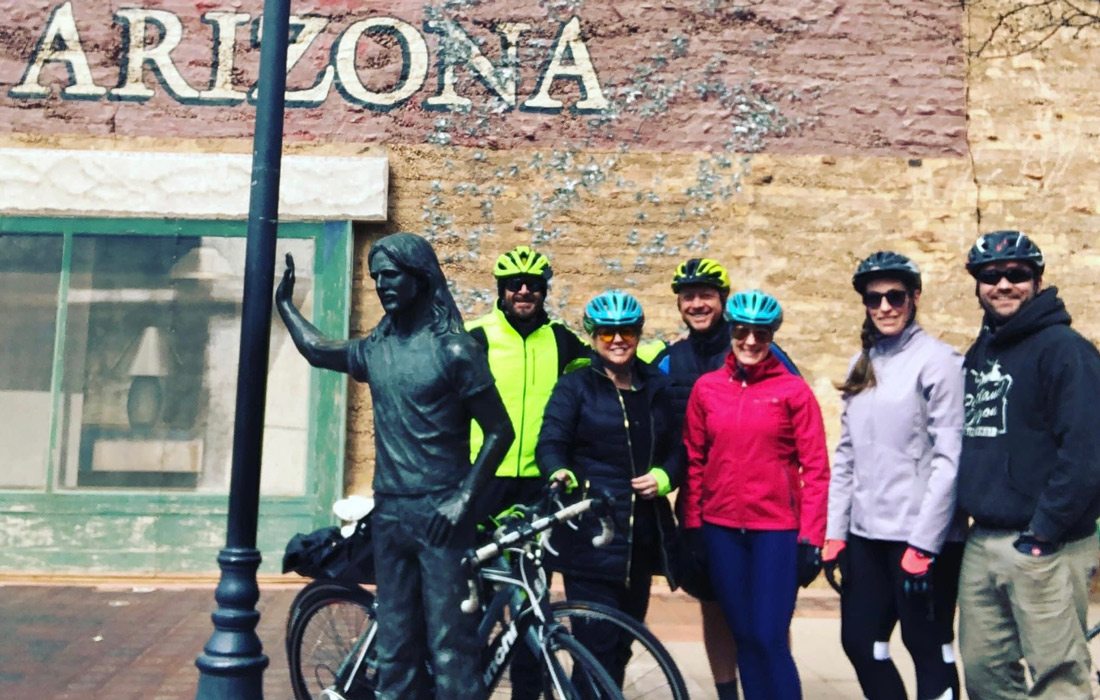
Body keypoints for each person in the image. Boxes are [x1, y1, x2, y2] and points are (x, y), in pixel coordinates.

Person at [275, 233, 514, 700]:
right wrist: (285, 303)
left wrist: (464, 498)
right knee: (395, 647)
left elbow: (499, 432)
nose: (382, 284)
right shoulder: (377, 350)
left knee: (451, 648)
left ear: (420, 278)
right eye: (376, 277)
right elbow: (319, 349)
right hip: (390, 515)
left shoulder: (455, 351)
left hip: (440, 515)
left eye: (391, 275)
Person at [955, 230, 1100, 699]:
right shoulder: (982, 352)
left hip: (1046, 546)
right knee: (984, 673)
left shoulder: (1065, 350)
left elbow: (1087, 451)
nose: (1003, 285)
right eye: (990, 276)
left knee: (1059, 678)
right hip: (985, 539)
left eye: (1016, 275)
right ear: (977, 284)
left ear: (1037, 281)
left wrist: (1044, 531)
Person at [652, 257, 800, 700]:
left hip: (764, 508)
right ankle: (727, 694)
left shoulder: (759, 349)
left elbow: (795, 422)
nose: (697, 304)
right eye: (689, 296)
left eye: (707, 296)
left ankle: (773, 685)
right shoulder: (668, 360)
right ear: (679, 302)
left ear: (723, 300)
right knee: (714, 605)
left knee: (769, 617)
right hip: (703, 507)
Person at [823, 251, 966, 700]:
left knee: (927, 645)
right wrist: (835, 532)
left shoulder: (940, 361)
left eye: (895, 296)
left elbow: (950, 458)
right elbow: (846, 455)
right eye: (874, 299)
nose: (884, 307)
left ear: (914, 297)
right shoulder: (861, 362)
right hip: (867, 533)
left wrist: (924, 543)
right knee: (862, 643)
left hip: (921, 537)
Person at [682, 289, 829, 700]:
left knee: (769, 635)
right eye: (742, 332)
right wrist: (692, 525)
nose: (750, 342)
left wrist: (812, 538)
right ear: (731, 331)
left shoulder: (794, 392)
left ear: (771, 336)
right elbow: (694, 461)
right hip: (720, 529)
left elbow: (816, 469)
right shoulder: (707, 389)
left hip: (776, 532)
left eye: (760, 335)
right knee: (743, 633)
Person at [536, 290, 683, 687]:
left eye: (627, 332)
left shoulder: (657, 386)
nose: (617, 341)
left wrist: (665, 478)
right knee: (595, 648)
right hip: (591, 537)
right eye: (606, 334)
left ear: (637, 334)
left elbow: (679, 450)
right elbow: (551, 442)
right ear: (592, 337)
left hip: (641, 539)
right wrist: (559, 471)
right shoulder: (576, 387)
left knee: (623, 644)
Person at [465, 245, 588, 523]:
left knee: (531, 564)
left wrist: (657, 353)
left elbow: (606, 363)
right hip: (485, 474)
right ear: (501, 290)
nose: (523, 291)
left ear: (544, 291)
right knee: (477, 560)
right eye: (513, 284)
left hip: (540, 476)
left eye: (533, 284)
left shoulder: (560, 338)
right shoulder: (476, 336)